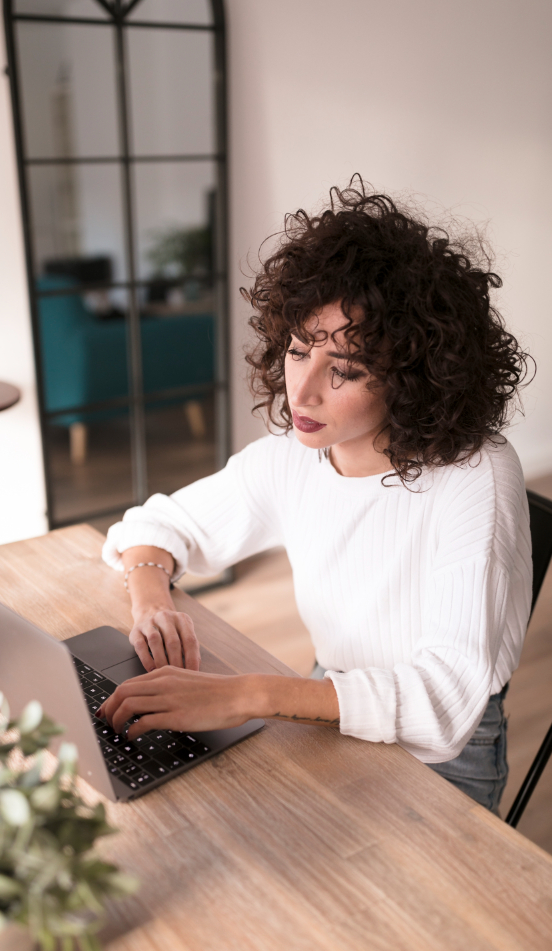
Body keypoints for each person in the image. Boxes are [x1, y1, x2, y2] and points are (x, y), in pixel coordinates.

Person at [98, 179, 533, 814]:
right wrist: (150, 602)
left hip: (442, 757)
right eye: (299, 351)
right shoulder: (294, 457)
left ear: (414, 375)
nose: (301, 394)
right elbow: (160, 525)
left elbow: (444, 704)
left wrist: (243, 694)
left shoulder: (476, 476)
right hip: (328, 697)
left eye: (346, 371)